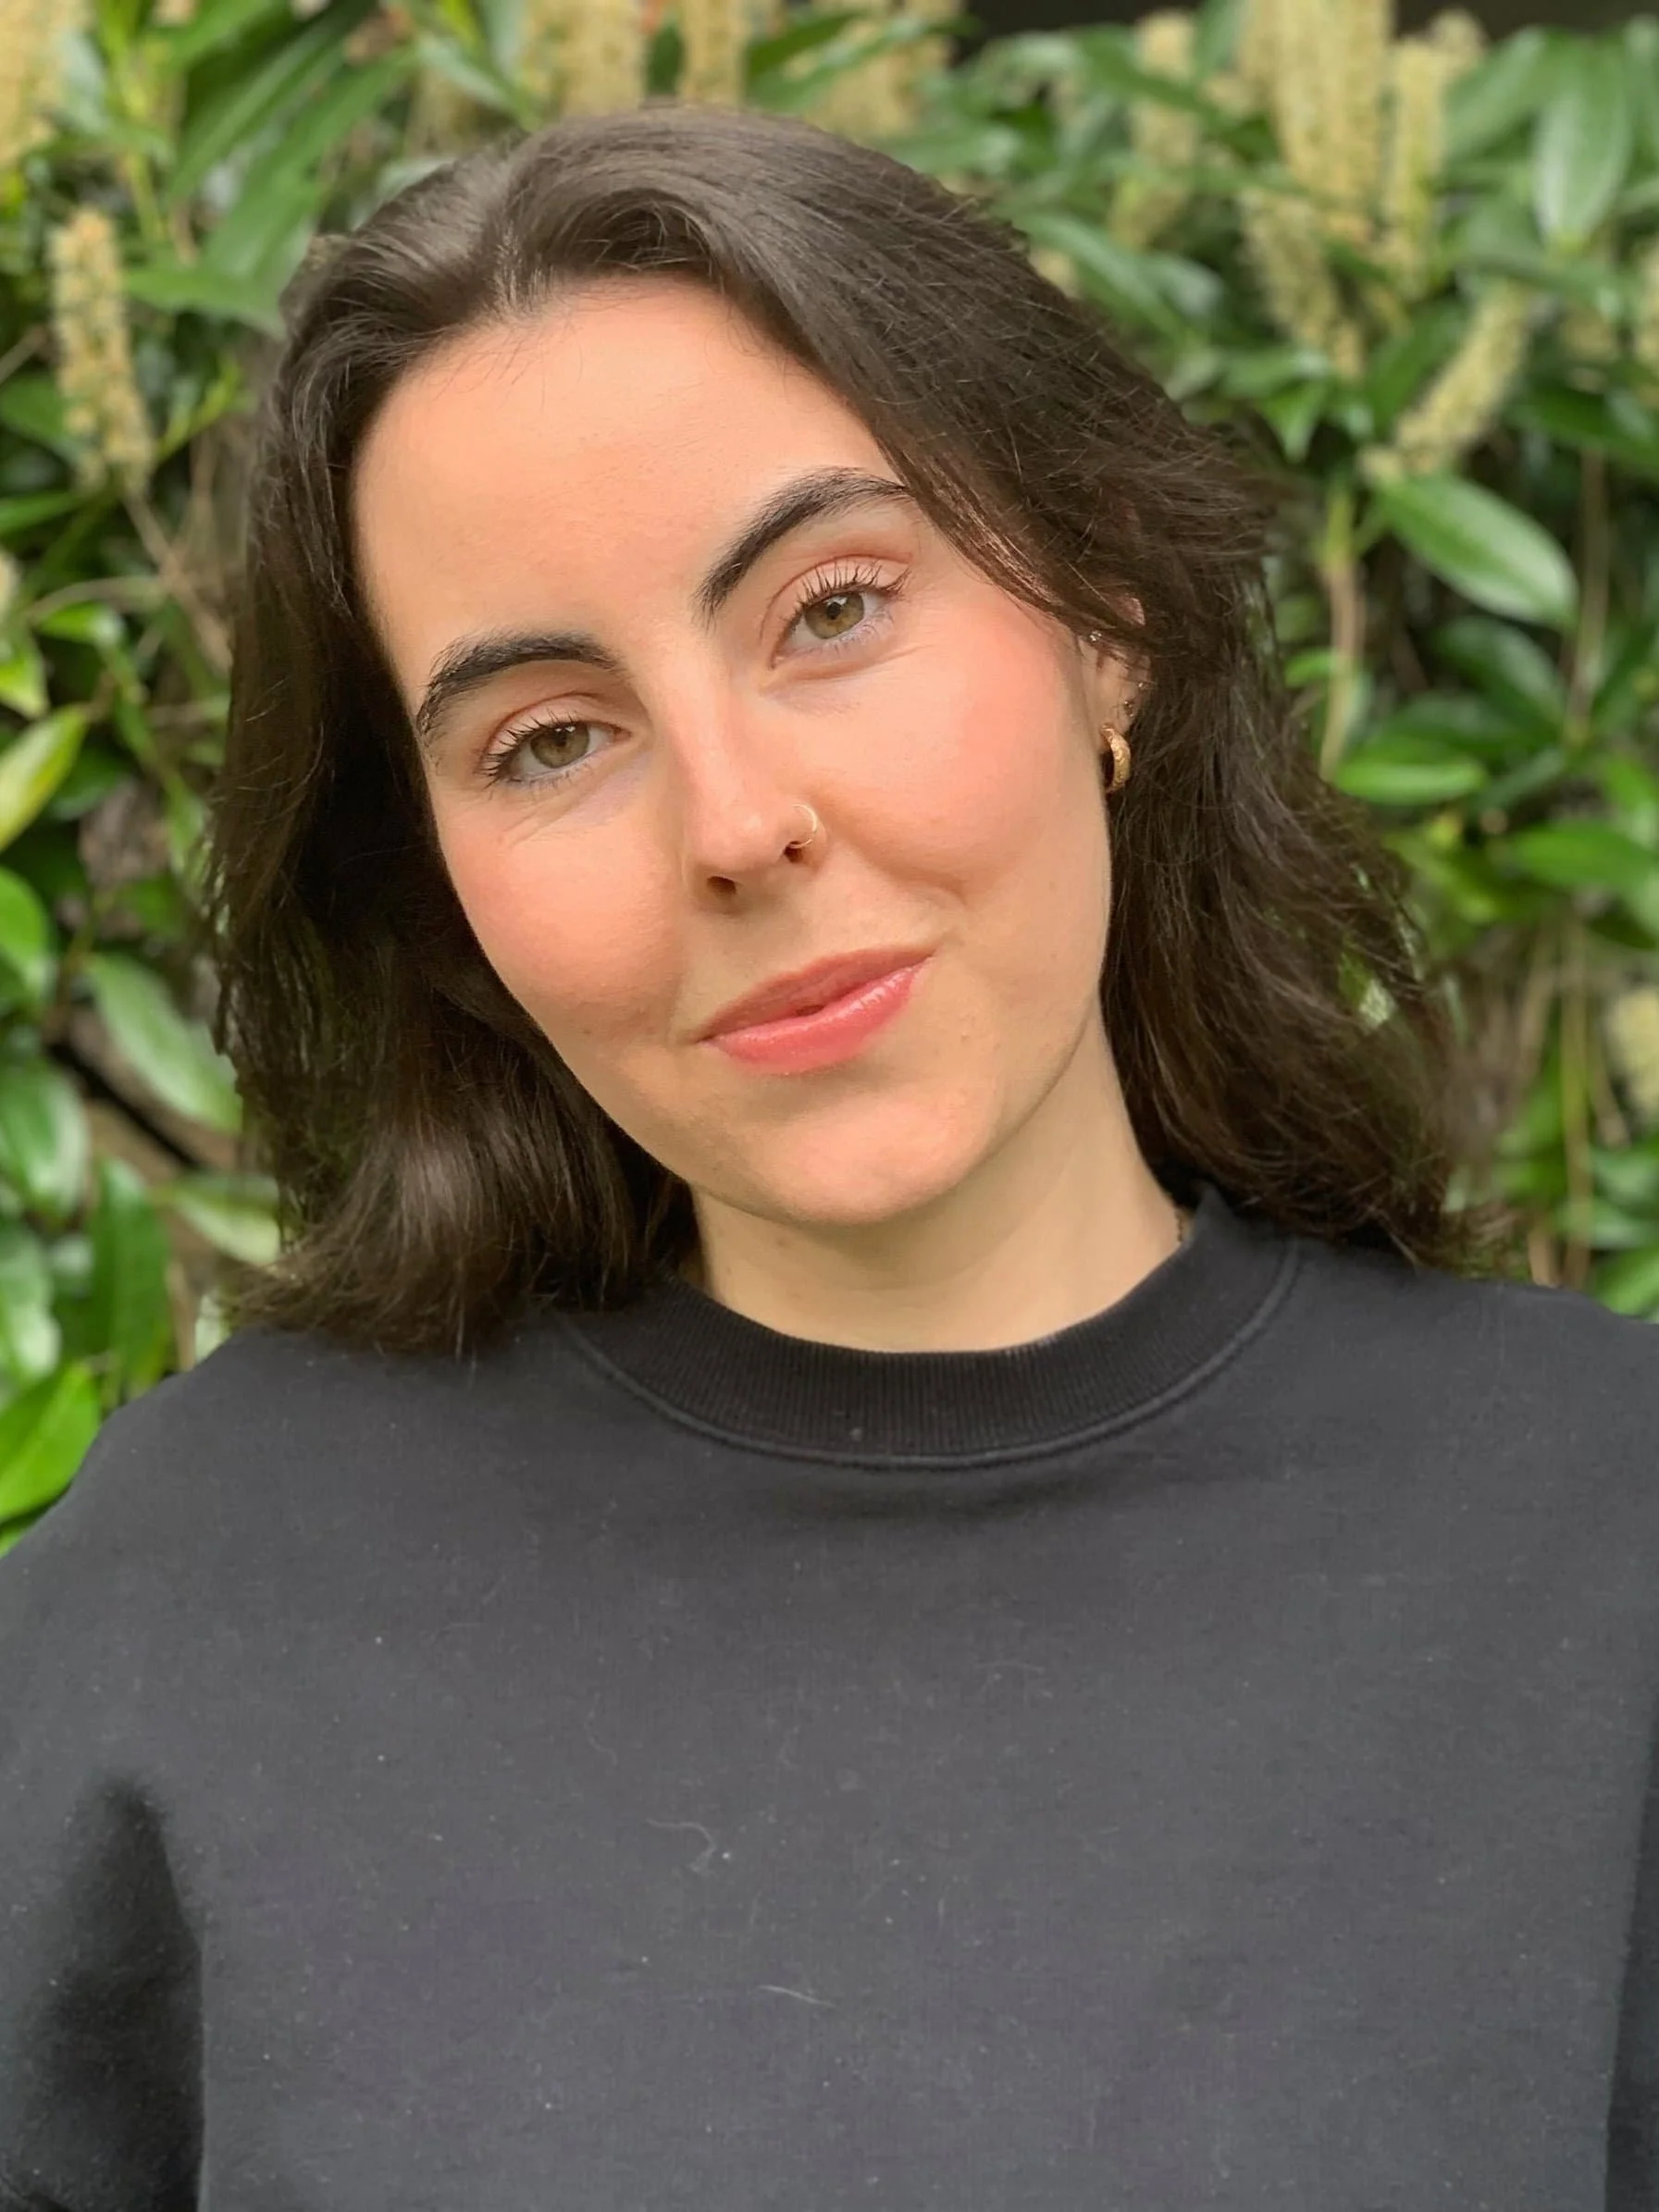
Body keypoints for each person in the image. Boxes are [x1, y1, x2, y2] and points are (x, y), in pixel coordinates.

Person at [1, 99, 1656, 2212]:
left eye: (833, 608)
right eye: (548, 738)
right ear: (444, 900)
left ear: (1103, 616)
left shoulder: (1599, 1538)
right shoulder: (192, 1592)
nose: (733, 823)